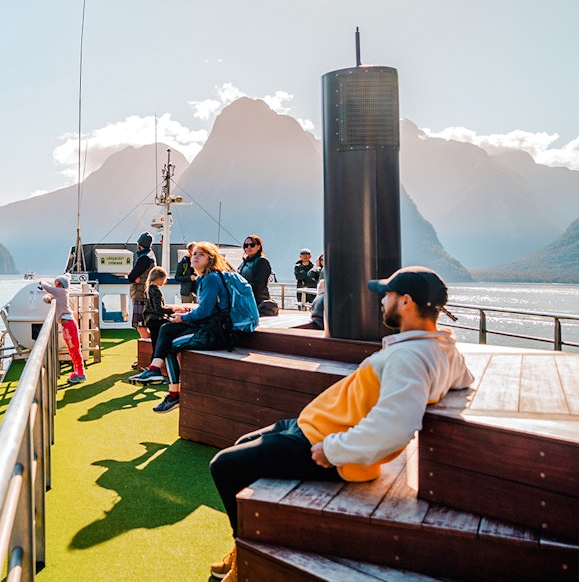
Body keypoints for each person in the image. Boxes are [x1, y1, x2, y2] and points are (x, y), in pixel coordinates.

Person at [206, 266, 473, 581]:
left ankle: (245, 552)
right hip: (312, 426)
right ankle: (242, 545)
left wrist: (332, 451)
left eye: (387, 295)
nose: (382, 301)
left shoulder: (411, 358)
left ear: (406, 302)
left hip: (321, 442)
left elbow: (397, 426)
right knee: (241, 446)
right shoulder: (439, 349)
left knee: (223, 465)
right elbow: (463, 380)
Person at [129, 241, 232, 413]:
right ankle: (154, 370)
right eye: (195, 253)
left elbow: (206, 311)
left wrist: (182, 317)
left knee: (169, 345)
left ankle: (173, 395)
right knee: (166, 328)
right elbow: (205, 309)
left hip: (214, 332)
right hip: (206, 326)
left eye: (201, 254)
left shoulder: (211, 278)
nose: (195, 256)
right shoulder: (203, 278)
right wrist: (181, 316)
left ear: (211, 259)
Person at [39, 275, 88, 384]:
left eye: (59, 284)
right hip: (66, 325)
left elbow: (49, 290)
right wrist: (50, 298)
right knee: (72, 350)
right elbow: (47, 297)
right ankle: (78, 372)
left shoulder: (62, 292)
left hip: (69, 324)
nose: (57, 286)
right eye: (56, 284)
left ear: (64, 286)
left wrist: (42, 282)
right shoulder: (60, 294)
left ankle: (80, 373)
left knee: (75, 349)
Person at [127, 232, 156, 338]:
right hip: (147, 295)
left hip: (140, 295)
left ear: (139, 245)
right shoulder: (151, 256)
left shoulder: (144, 258)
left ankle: (148, 350)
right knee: (146, 325)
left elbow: (131, 277)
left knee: (140, 326)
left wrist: (133, 277)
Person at [238, 235, 273, 314]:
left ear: (259, 246)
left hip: (258, 302)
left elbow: (259, 285)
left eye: (252, 245)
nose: (249, 247)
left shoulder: (262, 261)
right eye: (246, 245)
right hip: (245, 301)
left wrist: (243, 291)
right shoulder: (244, 262)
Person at [142, 266, 174, 340]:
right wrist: (172, 310)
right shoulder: (156, 291)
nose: (164, 282)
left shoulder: (148, 290)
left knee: (154, 342)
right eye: (164, 279)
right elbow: (158, 309)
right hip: (156, 320)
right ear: (160, 278)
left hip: (149, 320)